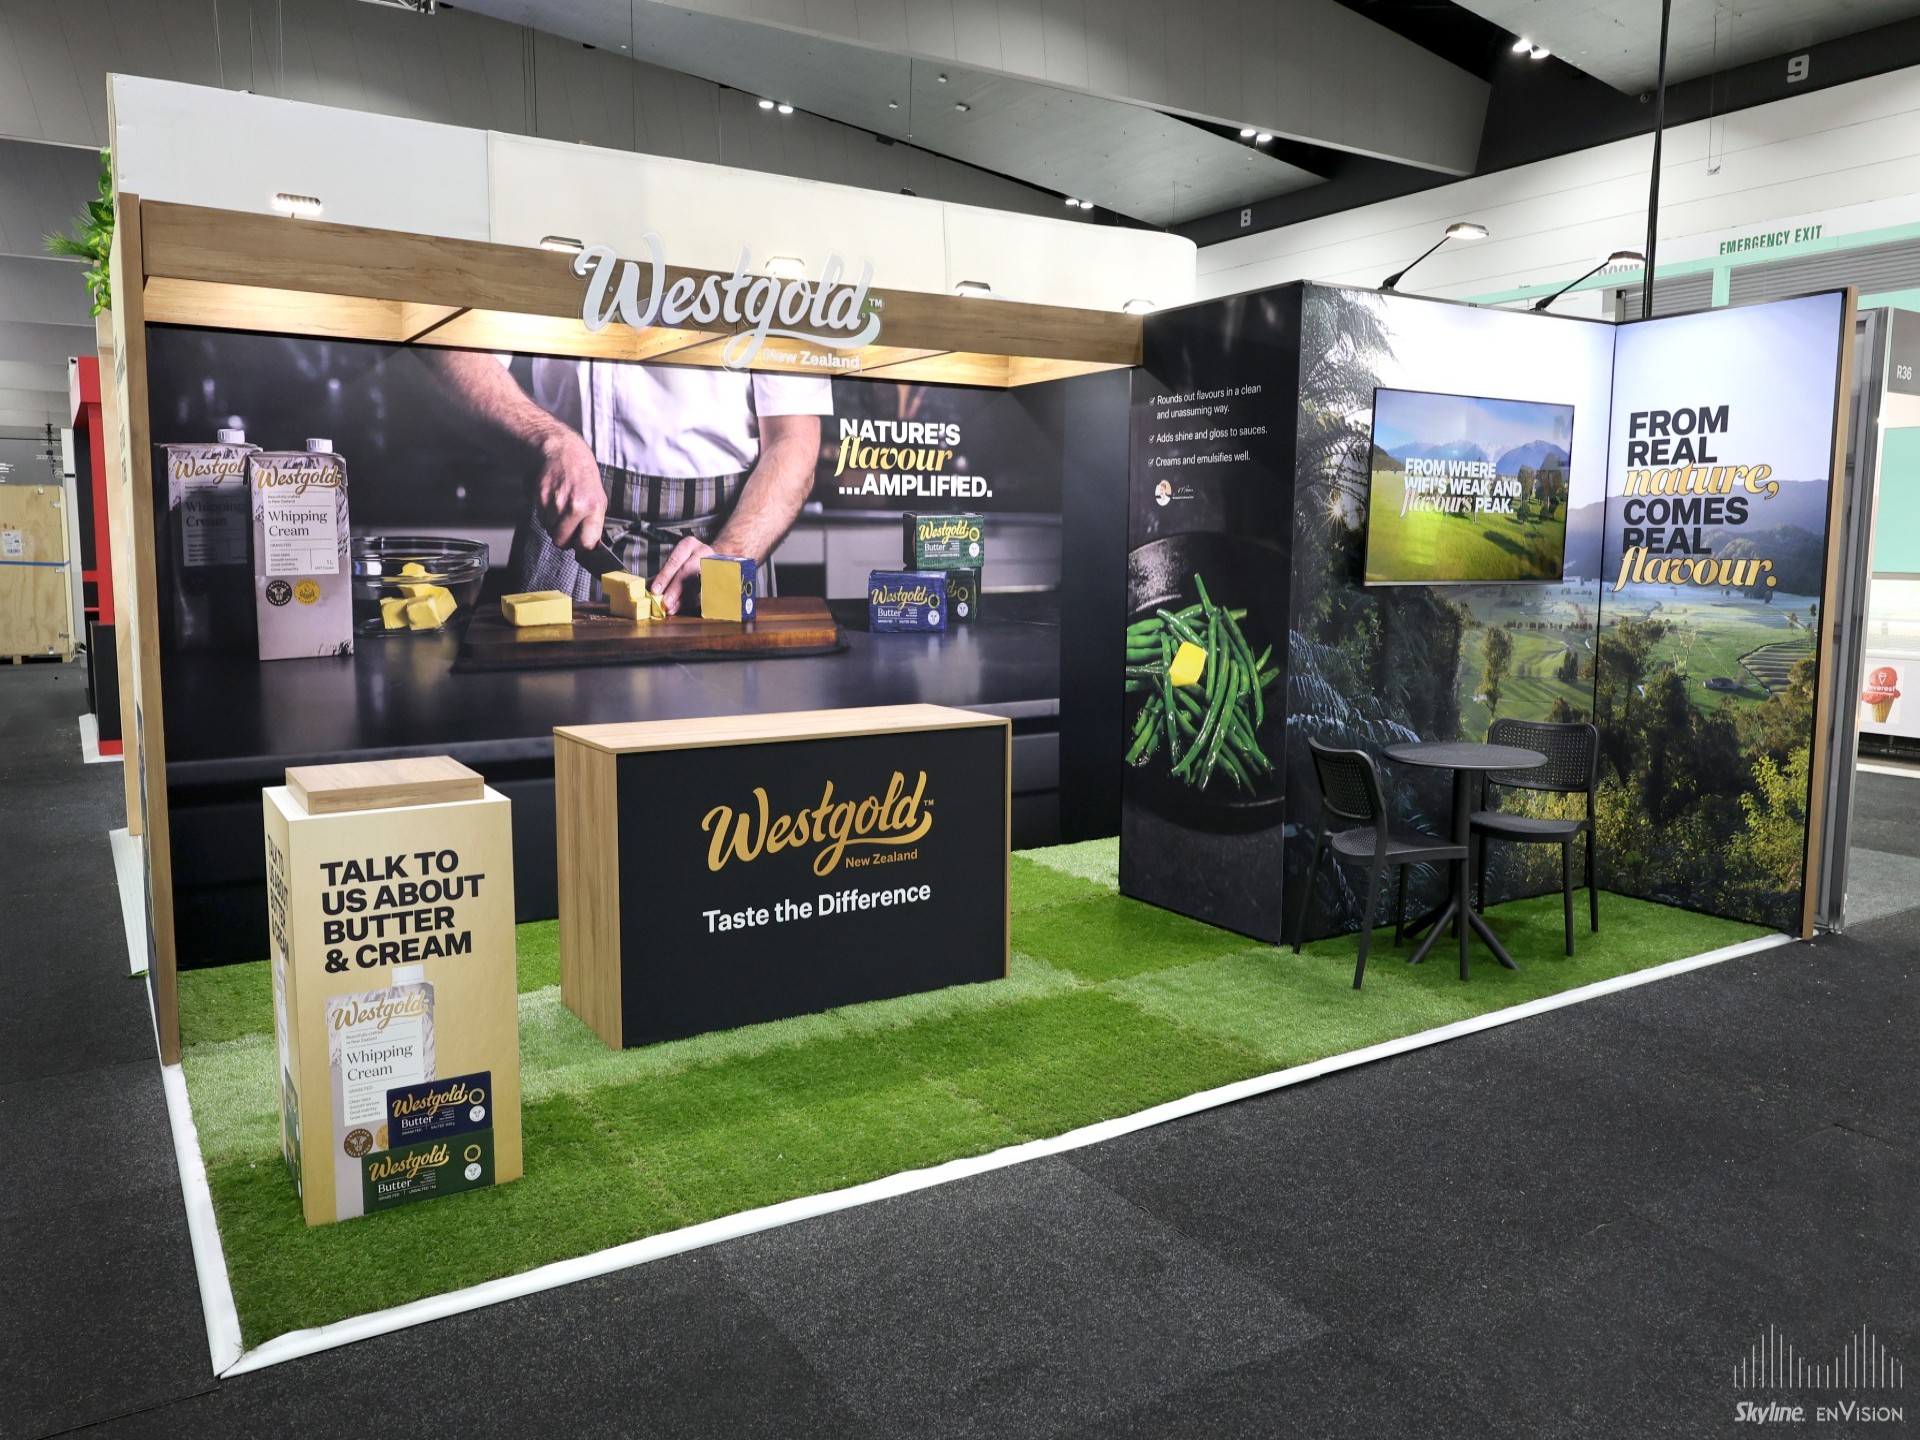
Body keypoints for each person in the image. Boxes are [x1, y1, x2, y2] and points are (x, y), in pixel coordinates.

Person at [427, 353, 830, 612]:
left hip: (720, 539)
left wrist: (731, 553)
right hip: (567, 535)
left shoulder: (773, 251)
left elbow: (793, 439)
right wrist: (549, 439)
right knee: (549, 711)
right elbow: (453, 351)